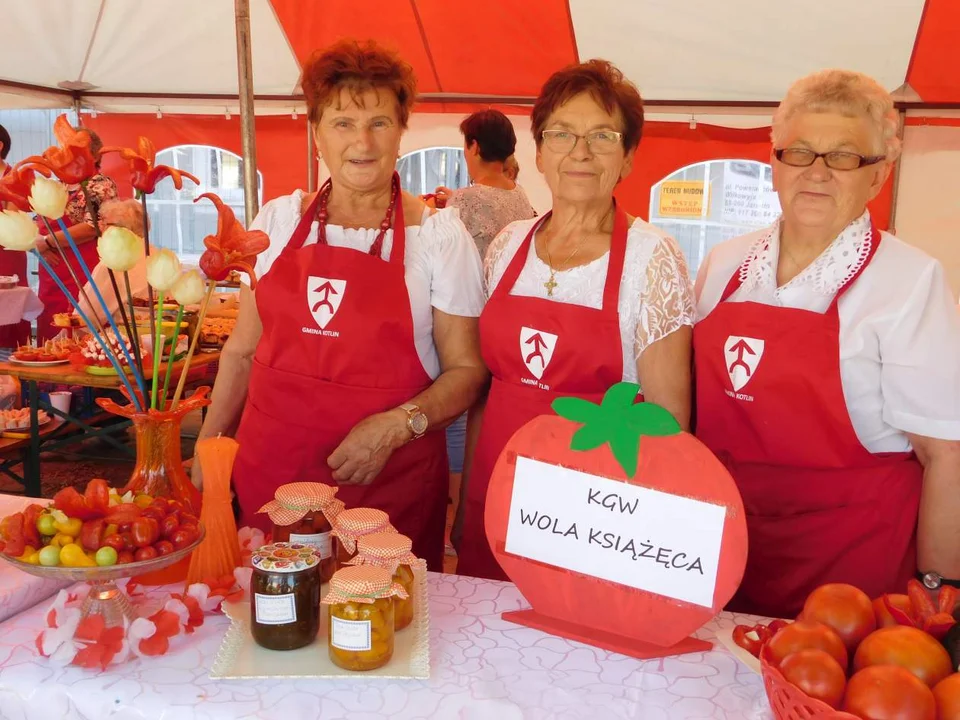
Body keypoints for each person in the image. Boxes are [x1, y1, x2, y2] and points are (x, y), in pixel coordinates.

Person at [192, 39, 489, 571]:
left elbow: (467, 371)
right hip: (272, 474)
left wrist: (398, 425)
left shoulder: (440, 236)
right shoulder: (278, 223)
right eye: (343, 123)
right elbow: (241, 353)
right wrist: (209, 447)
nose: (363, 141)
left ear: (402, 131)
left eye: (379, 122)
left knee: (377, 632)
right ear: (317, 134)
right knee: (273, 622)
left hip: (386, 481)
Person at [694, 69, 960, 618]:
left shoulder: (909, 281)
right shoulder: (724, 265)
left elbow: (946, 454)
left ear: (878, 176)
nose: (816, 173)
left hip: (849, 574)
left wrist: (940, 595)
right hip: (722, 550)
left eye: (843, 157)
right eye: (800, 153)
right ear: (775, 162)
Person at [455, 60, 696, 581]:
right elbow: (486, 391)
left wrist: (639, 540)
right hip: (495, 493)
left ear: (629, 157)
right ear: (538, 152)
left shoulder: (652, 257)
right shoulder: (508, 244)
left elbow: (668, 423)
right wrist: (464, 507)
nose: (580, 152)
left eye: (603, 136)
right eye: (562, 134)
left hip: (592, 521)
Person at [35, 128, 118, 341]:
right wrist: (38, 246)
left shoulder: (100, 184)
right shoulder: (56, 185)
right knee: (51, 325)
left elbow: (92, 227)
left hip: (84, 268)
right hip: (52, 271)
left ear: (95, 155)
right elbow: (36, 223)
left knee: (83, 324)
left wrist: (47, 241)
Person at [434, 111, 536, 257]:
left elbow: (442, 253)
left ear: (475, 147)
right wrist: (454, 199)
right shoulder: (520, 193)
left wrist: (427, 213)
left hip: (477, 280)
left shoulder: (465, 199)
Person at [76, 199, 151, 327]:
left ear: (121, 229)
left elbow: (86, 318)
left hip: (127, 340)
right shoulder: (154, 254)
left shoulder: (113, 264)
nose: (100, 227)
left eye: (105, 223)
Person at [0, 123, 32, 350]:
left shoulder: (15, 177)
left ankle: (10, 370)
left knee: (7, 309)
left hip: (7, 251)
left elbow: (11, 216)